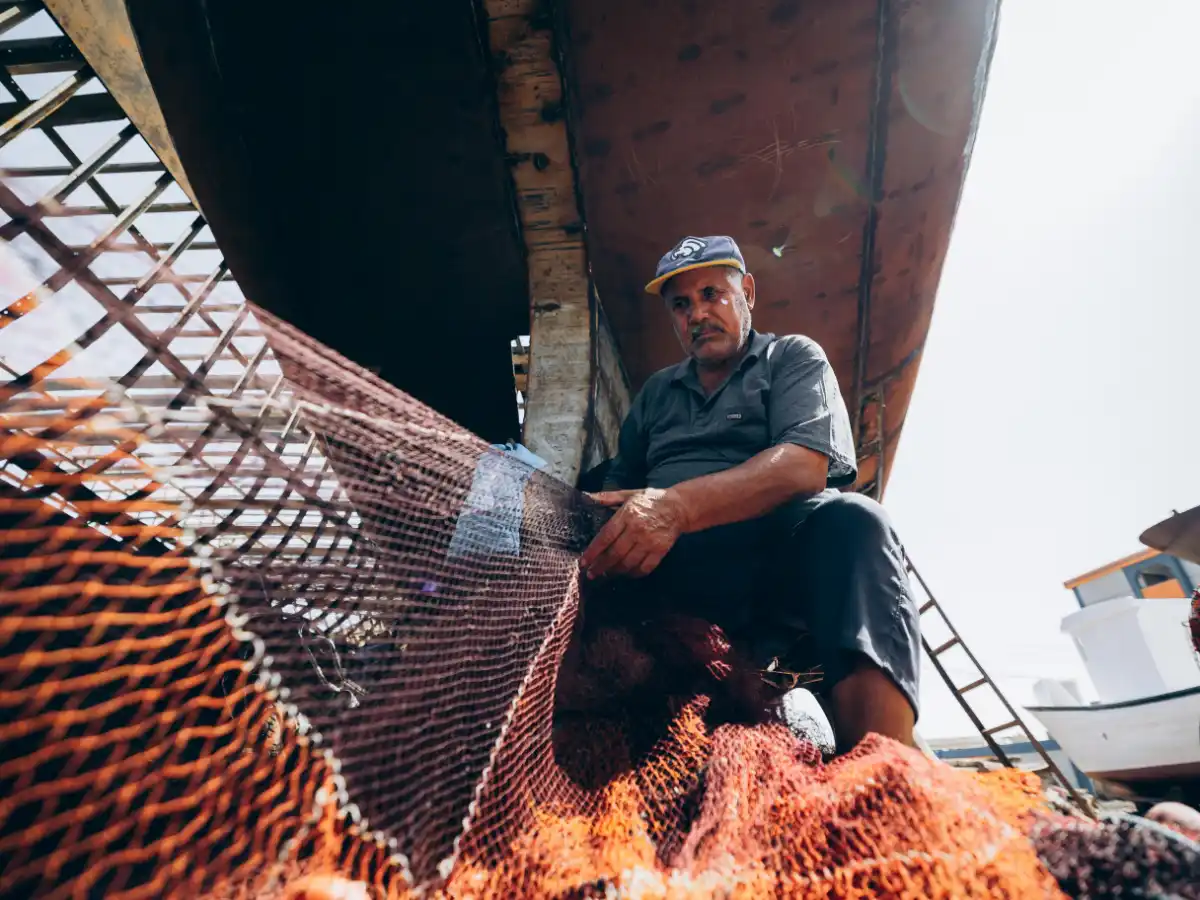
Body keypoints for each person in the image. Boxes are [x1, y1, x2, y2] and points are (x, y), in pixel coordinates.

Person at [579, 235, 920, 752]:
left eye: (713, 294)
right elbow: (617, 484)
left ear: (748, 293)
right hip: (673, 565)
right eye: (681, 304)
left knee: (856, 521)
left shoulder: (791, 357)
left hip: (771, 556)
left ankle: (884, 763)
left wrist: (675, 506)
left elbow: (805, 465)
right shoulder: (655, 393)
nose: (698, 313)